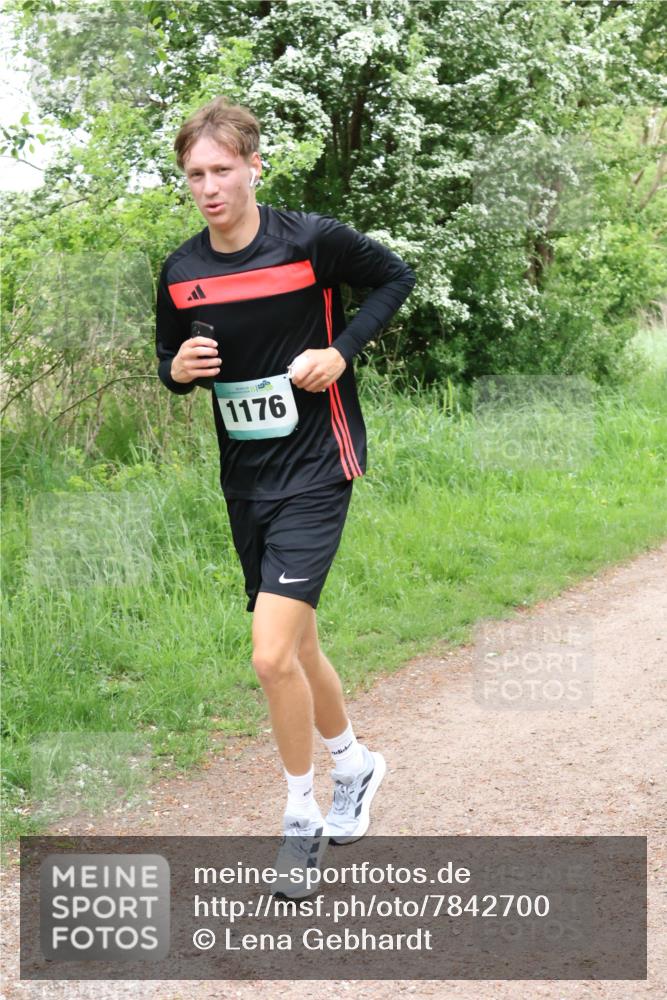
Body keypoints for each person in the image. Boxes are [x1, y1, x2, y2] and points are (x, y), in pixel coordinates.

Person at [155, 97, 415, 896]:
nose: (208, 187)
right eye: (195, 174)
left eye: (222, 170)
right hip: (246, 477)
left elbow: (393, 278)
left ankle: (301, 816)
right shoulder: (181, 271)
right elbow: (169, 357)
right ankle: (356, 767)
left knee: (269, 655)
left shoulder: (307, 240)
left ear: (254, 165)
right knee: (296, 646)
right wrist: (178, 370)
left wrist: (339, 352)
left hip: (318, 466)